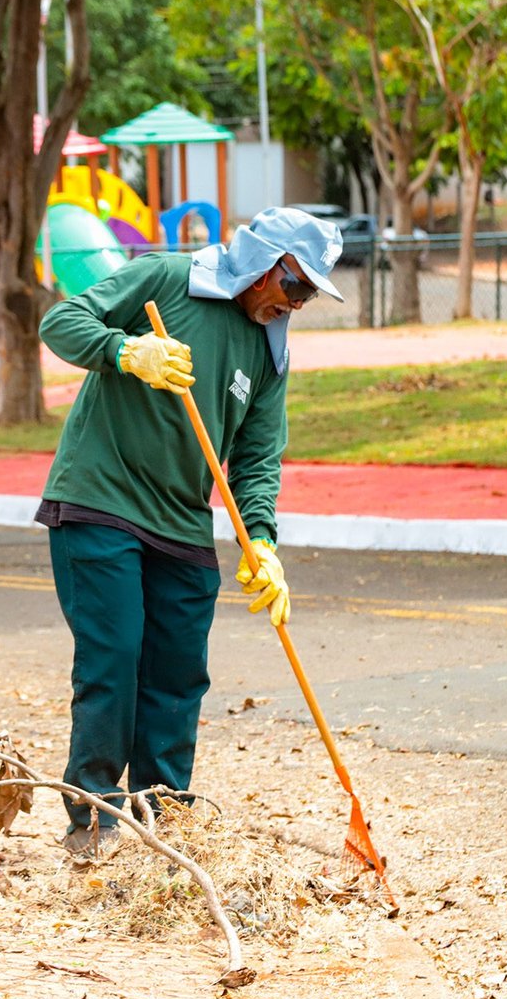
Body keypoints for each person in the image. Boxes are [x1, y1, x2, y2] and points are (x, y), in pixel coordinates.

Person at [36, 206, 344, 858]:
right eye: (297, 285)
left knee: (178, 673)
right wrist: (126, 351)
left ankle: (167, 820)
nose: (300, 301)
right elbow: (61, 322)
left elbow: (258, 456)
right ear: (265, 265)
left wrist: (261, 541)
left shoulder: (269, 350)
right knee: (115, 657)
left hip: (180, 521)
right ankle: (92, 815)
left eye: (311, 292)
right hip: (101, 499)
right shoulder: (168, 279)